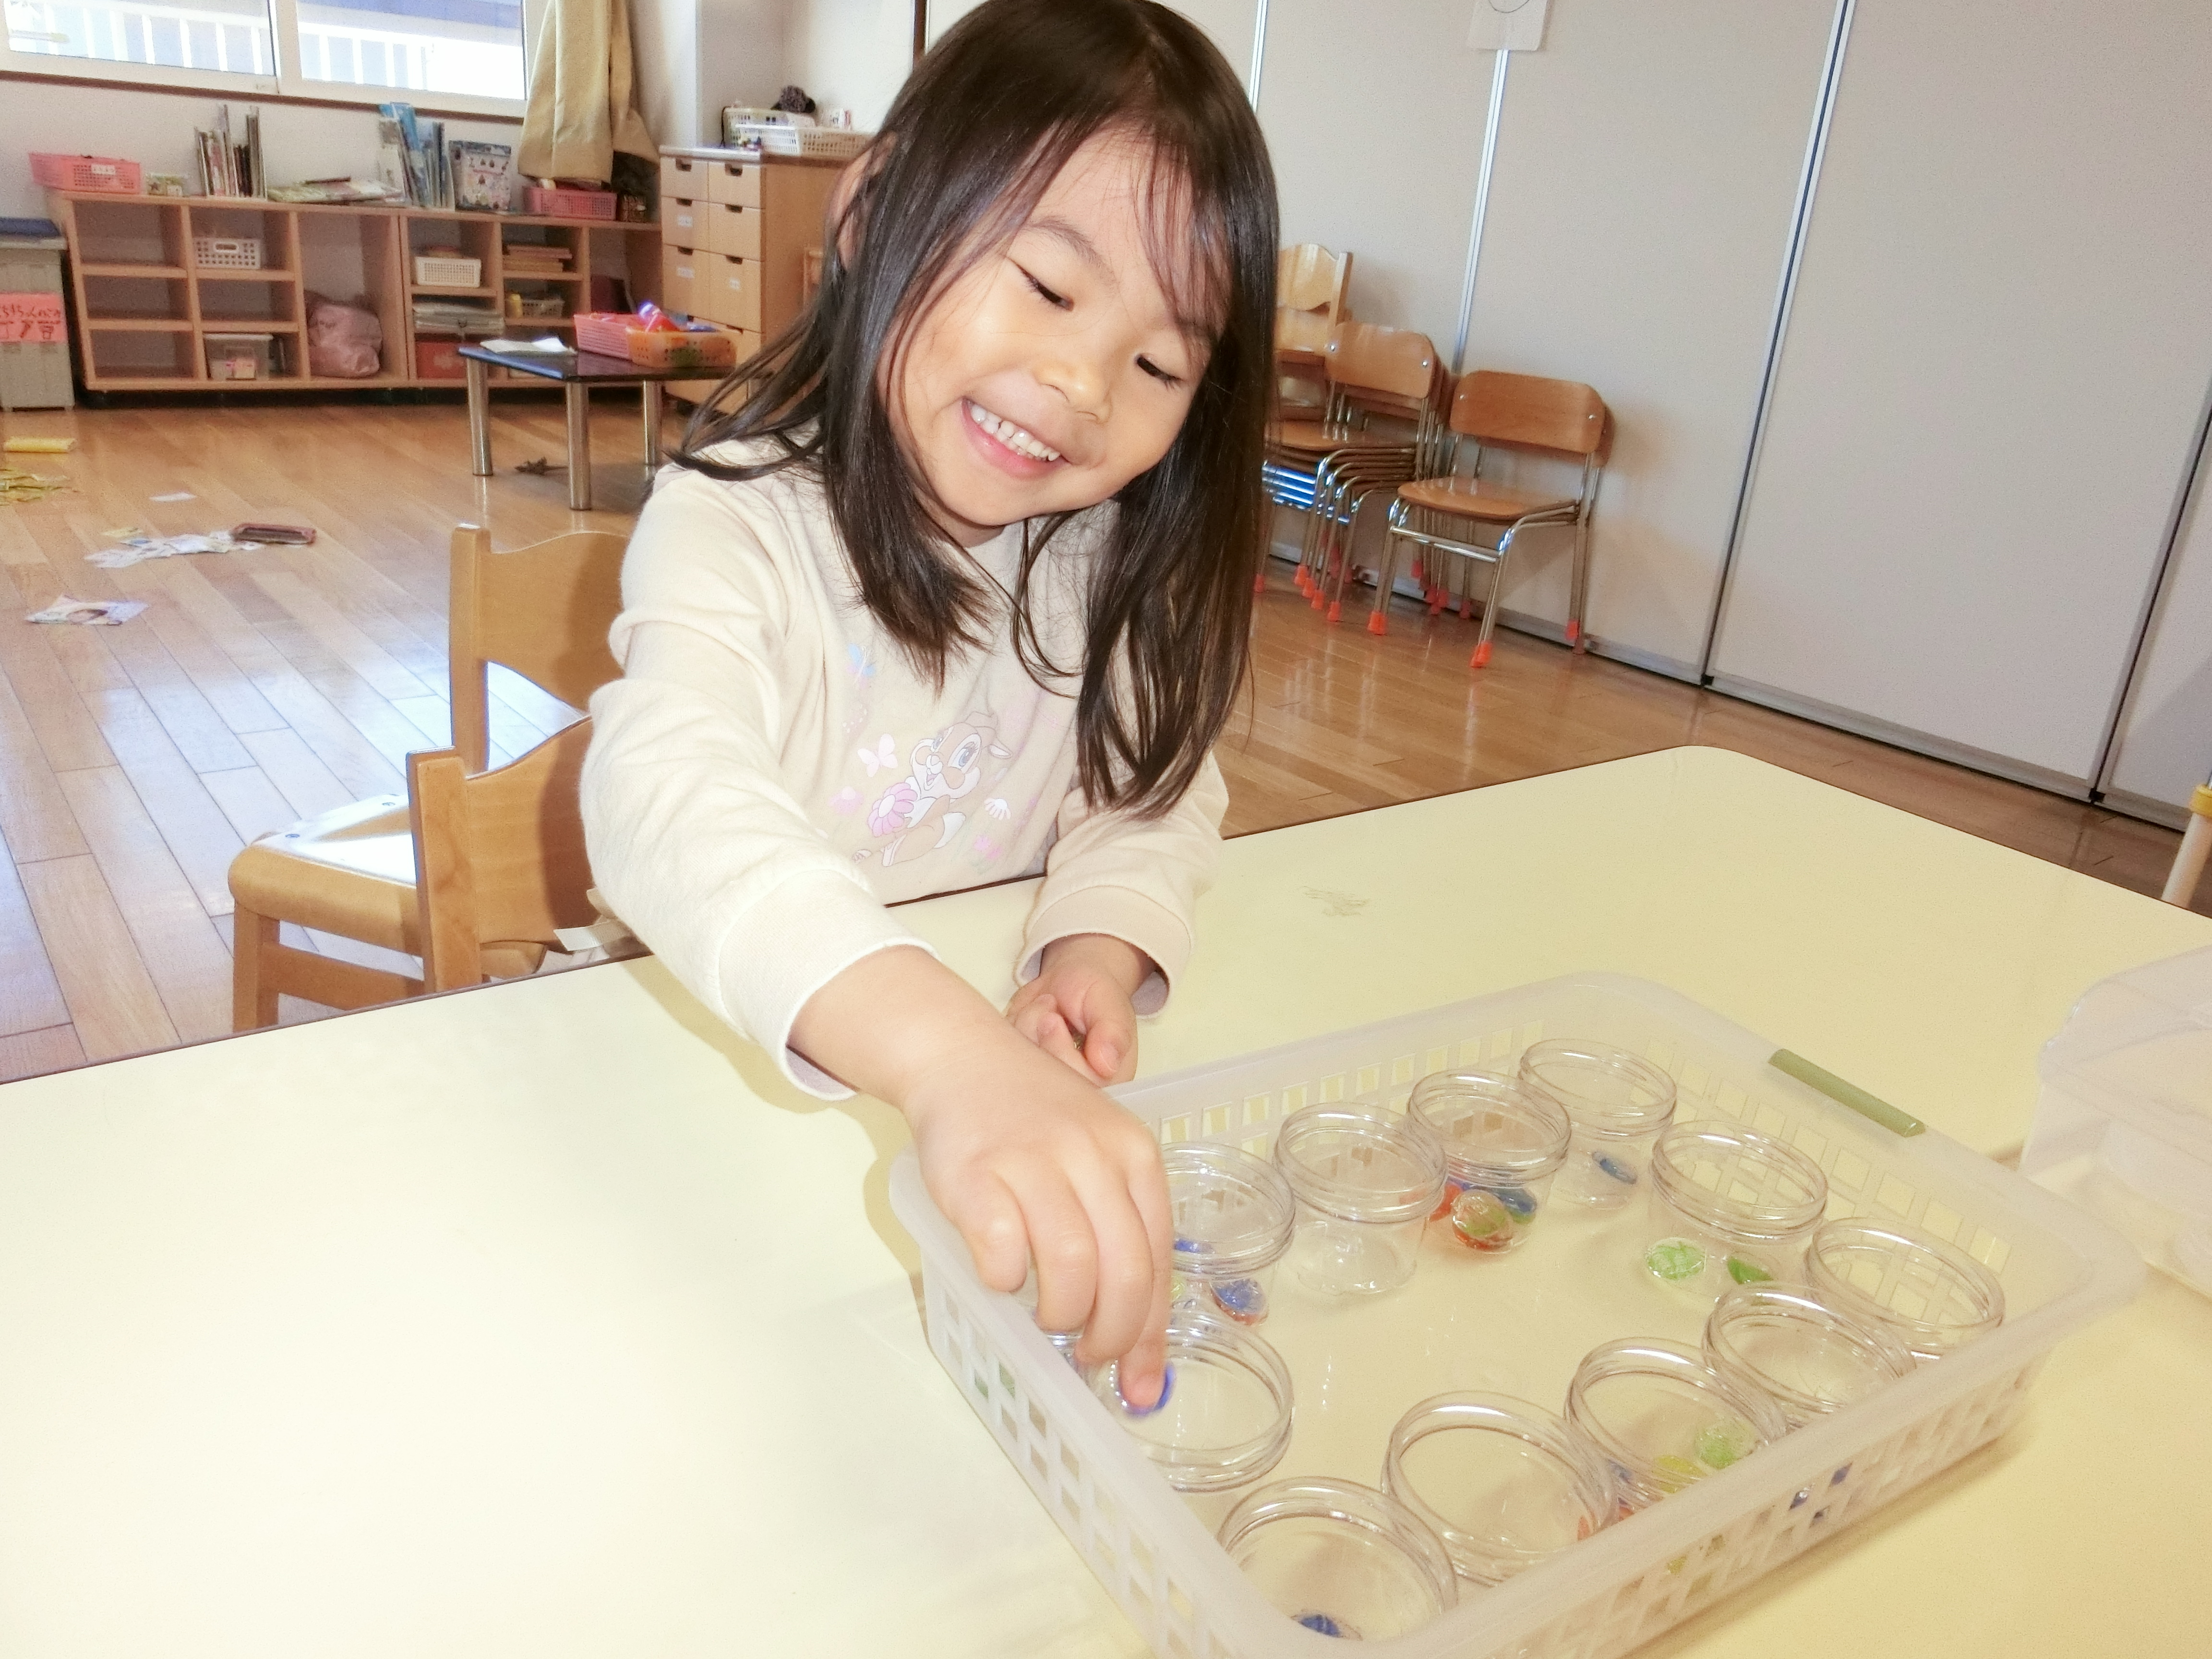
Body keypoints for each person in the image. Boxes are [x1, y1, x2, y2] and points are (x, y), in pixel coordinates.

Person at [580, 0, 1277, 1407]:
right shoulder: (734, 528)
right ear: (876, 209)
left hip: (958, 1142)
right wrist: (952, 1058)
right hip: (719, 1086)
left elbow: (1155, 788)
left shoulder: (1098, 560)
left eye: (1158, 364)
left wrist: (1094, 946)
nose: (1083, 383)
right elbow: (665, 791)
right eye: (1050, 286)